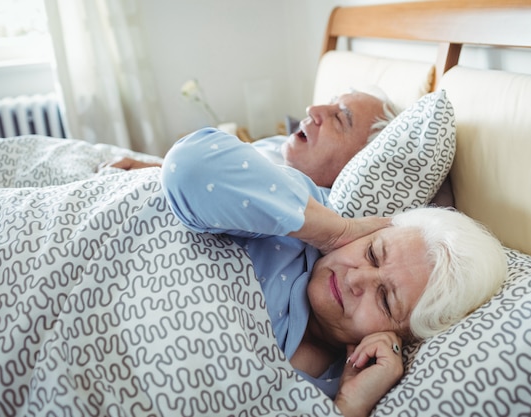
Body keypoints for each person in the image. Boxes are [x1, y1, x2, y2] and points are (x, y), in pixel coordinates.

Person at [161, 128, 507, 417]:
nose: (356, 279)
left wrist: (347, 406)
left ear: (402, 336)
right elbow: (188, 167)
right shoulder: (299, 223)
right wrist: (334, 231)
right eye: (373, 253)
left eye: (385, 298)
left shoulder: (341, 383)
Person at [107, 89, 399, 188]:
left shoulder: (306, 203)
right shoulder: (277, 150)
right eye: (330, 102)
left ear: (361, 162)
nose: (313, 109)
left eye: (339, 118)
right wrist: (151, 169)